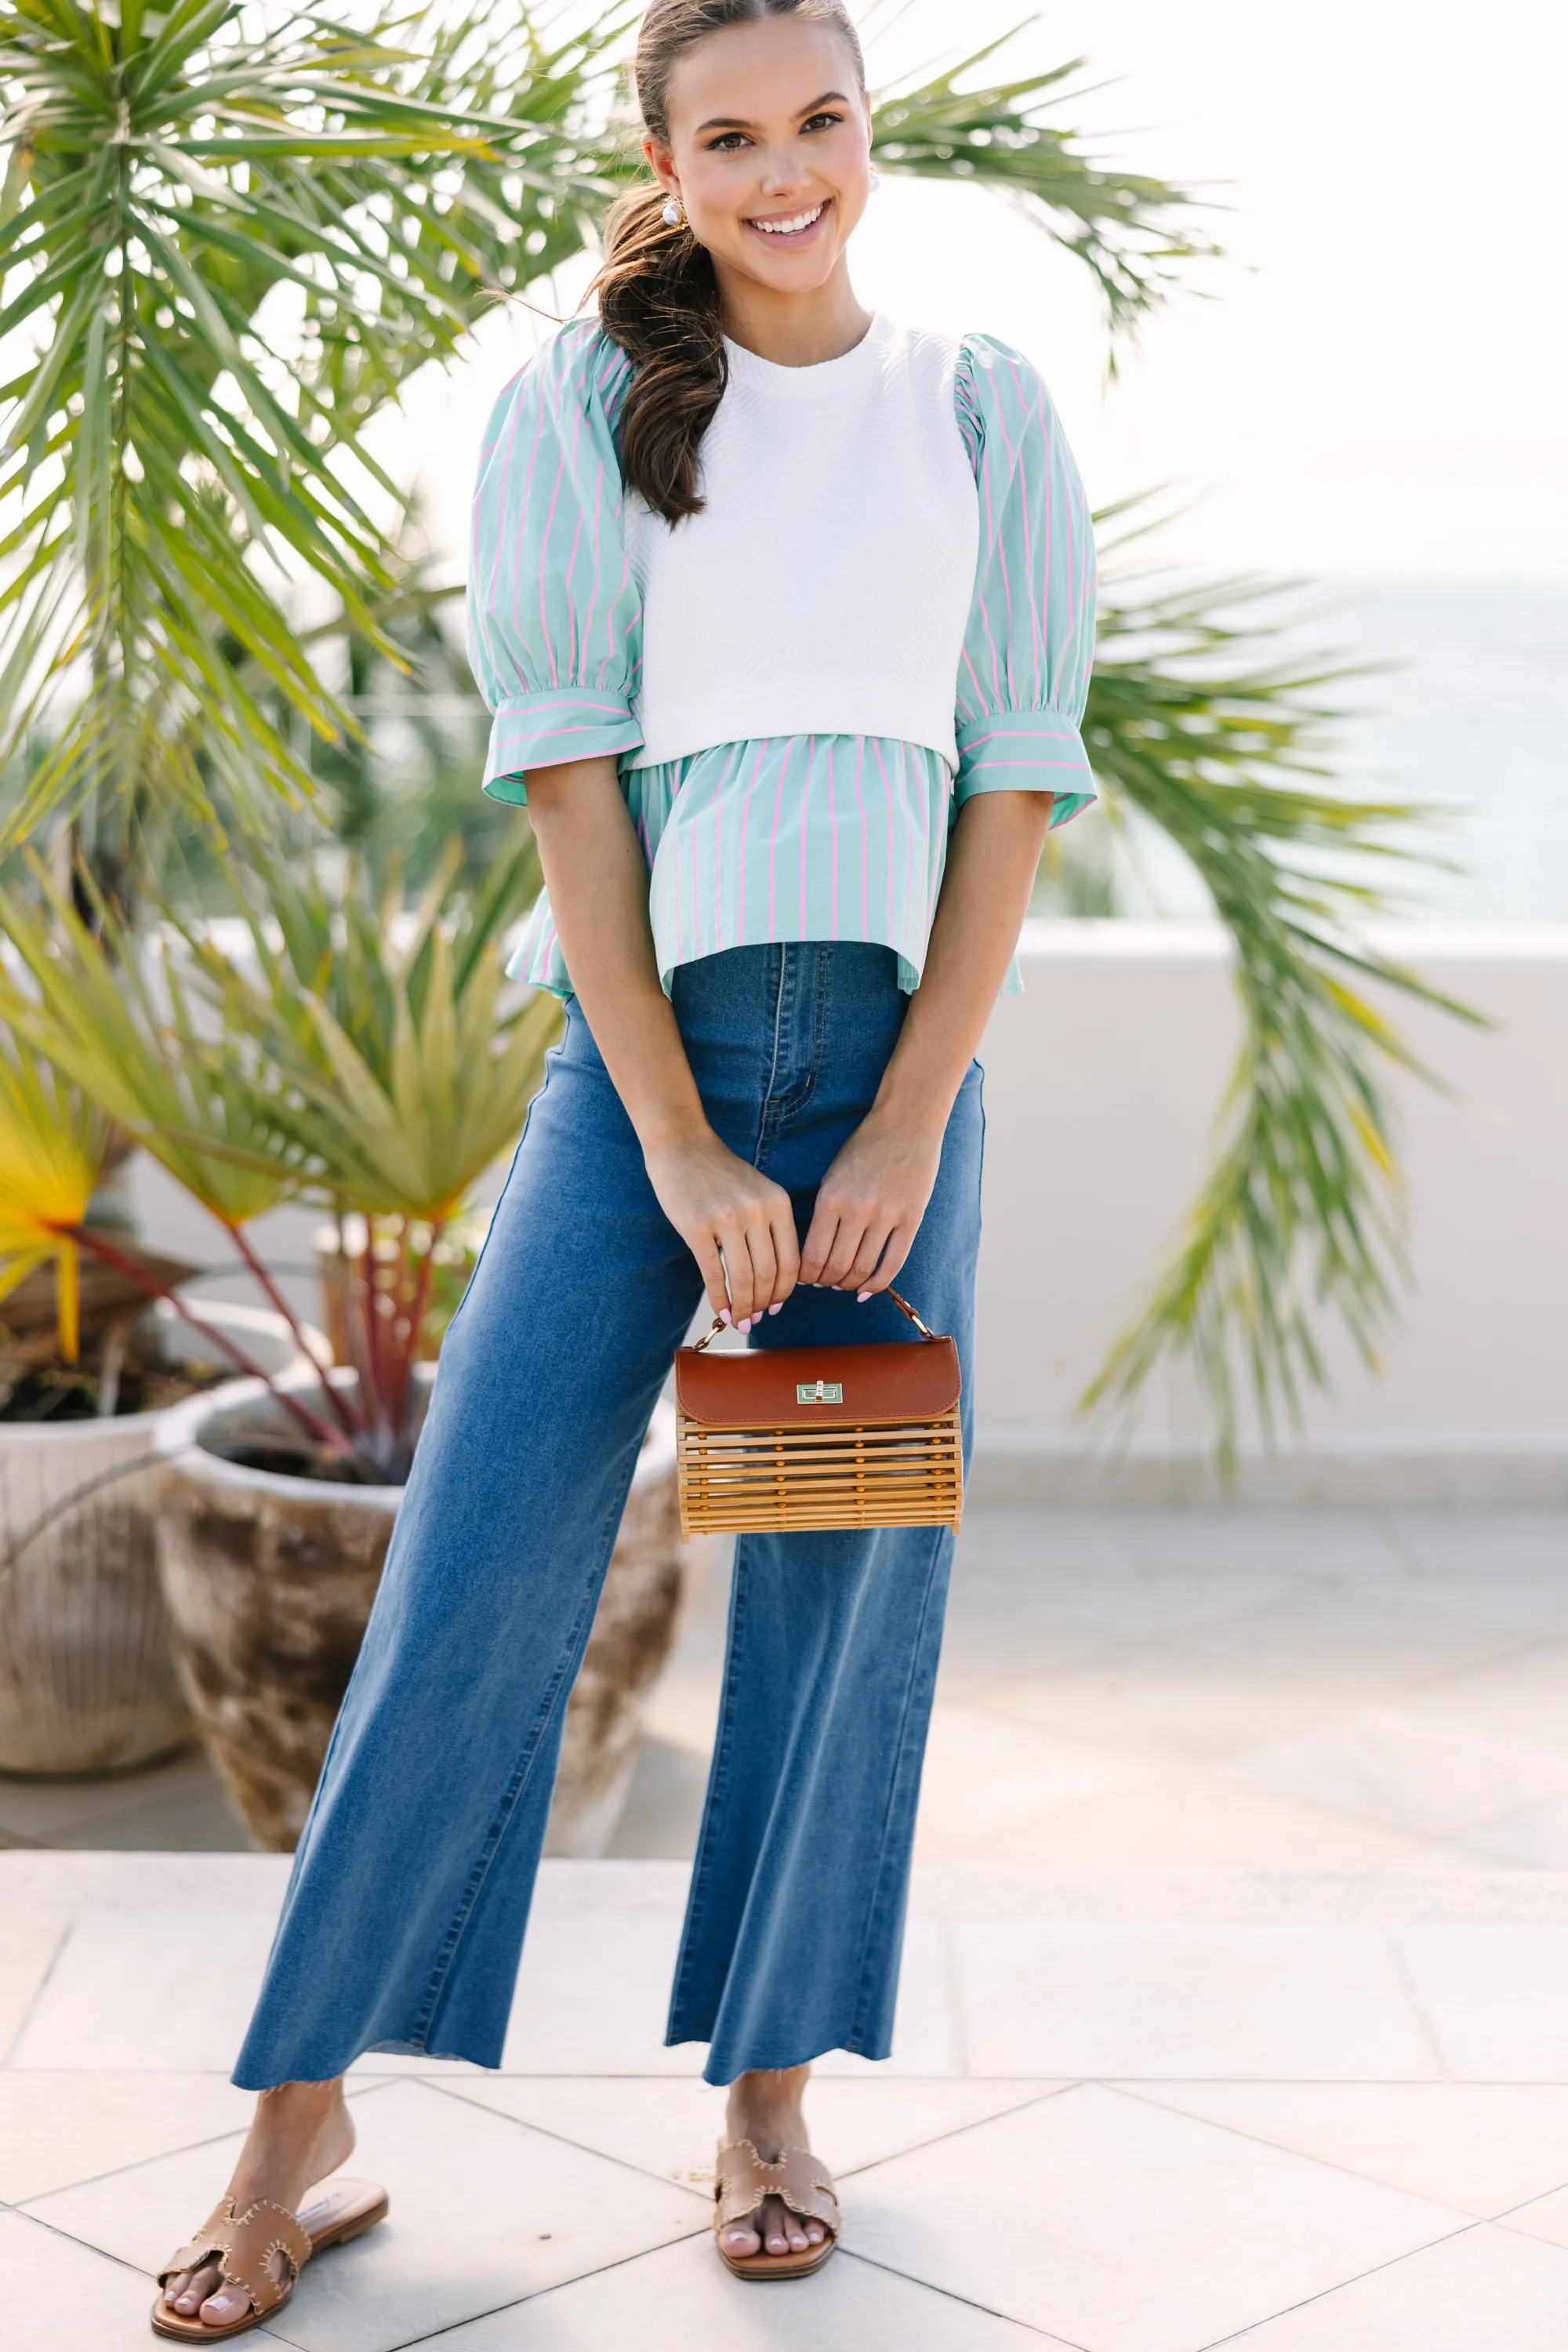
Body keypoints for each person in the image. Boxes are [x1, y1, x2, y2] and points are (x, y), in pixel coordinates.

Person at [151, 0, 1095, 2332]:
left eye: (822, 125)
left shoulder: (979, 411)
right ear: (666, 162)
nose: (787, 174)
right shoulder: (577, 410)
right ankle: (301, 2134)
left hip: (892, 1084)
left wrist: (901, 1114)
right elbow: (577, 794)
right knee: (477, 1566)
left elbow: (1014, 789)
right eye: (734, 136)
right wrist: (673, 1136)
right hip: (640, 1085)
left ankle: (770, 2096)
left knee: (833, 1591)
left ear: (872, 135)